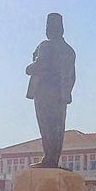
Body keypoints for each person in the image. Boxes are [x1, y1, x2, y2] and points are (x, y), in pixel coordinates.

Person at [26, 12, 76, 168]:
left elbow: (38, 65)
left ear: (50, 28)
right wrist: (66, 92)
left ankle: (49, 158)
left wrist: (29, 68)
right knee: (58, 127)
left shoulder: (46, 46)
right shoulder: (69, 50)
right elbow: (73, 76)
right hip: (62, 95)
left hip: (45, 91)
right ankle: (53, 159)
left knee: (46, 125)